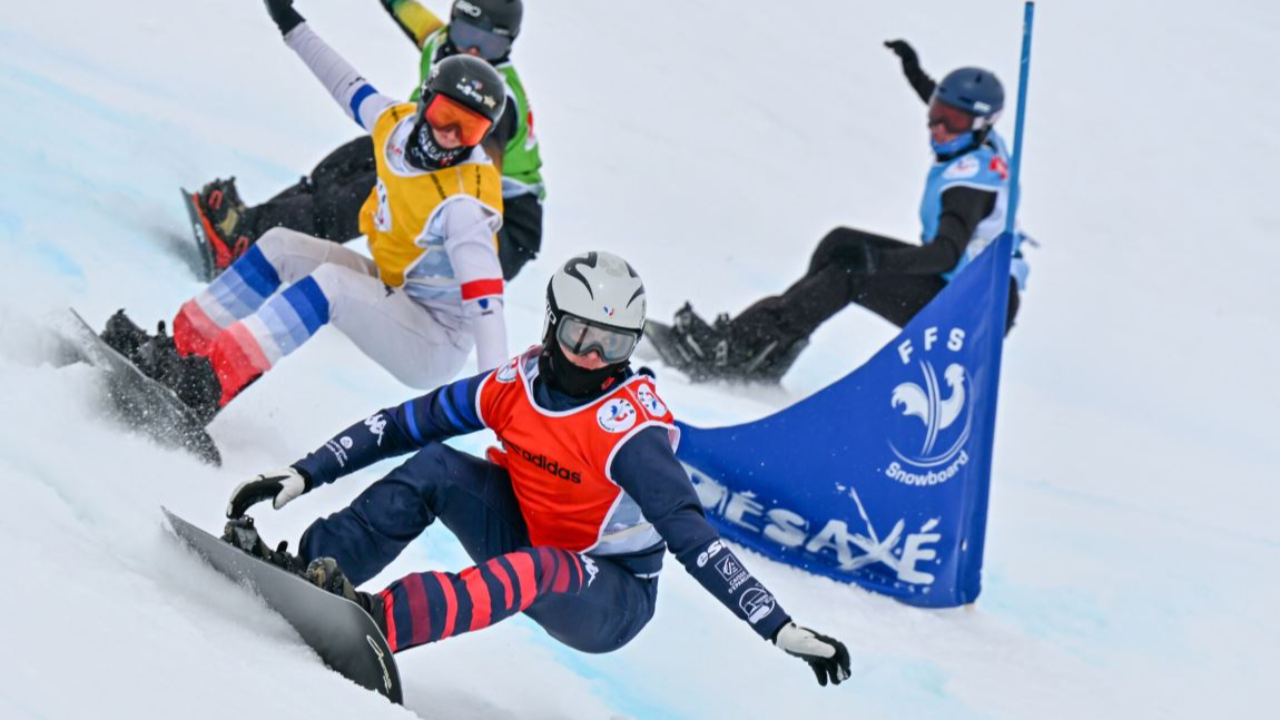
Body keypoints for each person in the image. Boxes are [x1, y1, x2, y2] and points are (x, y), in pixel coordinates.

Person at [224, 251, 853, 687]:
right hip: (529, 532)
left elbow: (692, 536)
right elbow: (401, 424)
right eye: (581, 334)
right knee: (437, 464)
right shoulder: (513, 384)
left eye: (614, 343)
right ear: (552, 323)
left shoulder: (629, 431)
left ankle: (378, 622)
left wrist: (778, 626)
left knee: (542, 567)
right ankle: (315, 569)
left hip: (610, 594)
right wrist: (305, 473)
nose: (593, 355)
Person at [100, 0, 509, 423]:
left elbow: (487, 303)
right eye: (445, 116)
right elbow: (346, 83)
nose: (450, 137)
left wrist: (499, 403)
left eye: (470, 129)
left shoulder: (465, 204)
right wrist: (291, 25)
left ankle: (209, 385)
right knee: (279, 246)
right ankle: (181, 349)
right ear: (425, 103)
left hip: (433, 340)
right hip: (399, 287)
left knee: (331, 285)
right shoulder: (395, 124)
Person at [649, 40, 1030, 384]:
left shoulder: (969, 183)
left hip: (974, 311)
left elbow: (946, 252)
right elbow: (940, 99)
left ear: (983, 123)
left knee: (853, 273)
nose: (939, 128)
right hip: (966, 284)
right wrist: (913, 70)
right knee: (841, 243)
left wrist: (877, 259)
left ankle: (736, 351)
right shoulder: (978, 140)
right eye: (936, 114)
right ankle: (765, 349)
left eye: (955, 121)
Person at [189, 0, 545, 282]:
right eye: (468, 31)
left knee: (367, 196)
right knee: (347, 162)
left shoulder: (496, 102)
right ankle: (254, 224)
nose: (474, 51)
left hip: (501, 228)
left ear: (509, 44)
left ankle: (247, 246)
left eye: (490, 42)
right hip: (439, 158)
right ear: (453, 21)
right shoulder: (440, 43)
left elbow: (472, 185)